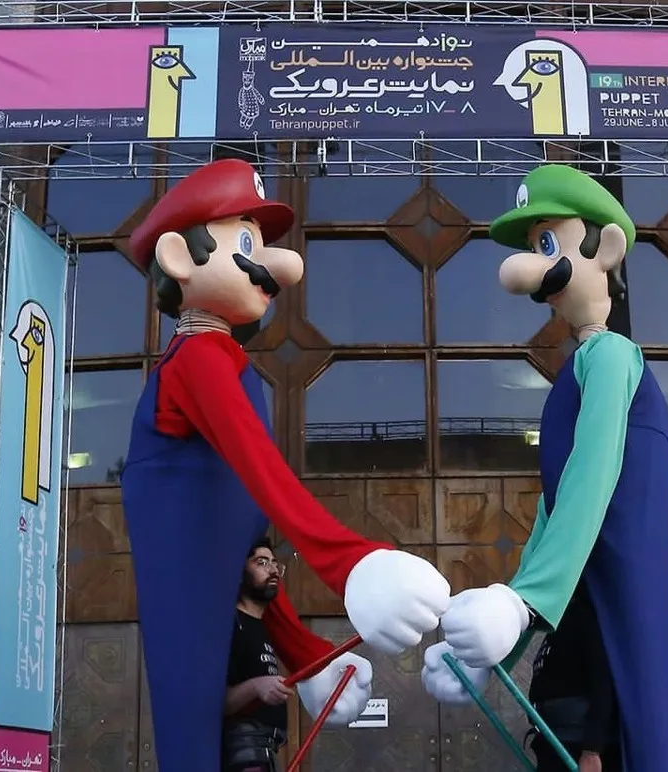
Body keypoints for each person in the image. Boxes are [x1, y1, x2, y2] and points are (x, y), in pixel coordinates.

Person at [120, 159, 451, 772]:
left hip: (212, 591)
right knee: (191, 718)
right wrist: (351, 562)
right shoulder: (198, 359)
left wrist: (306, 655)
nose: (279, 266)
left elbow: (248, 555)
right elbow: (264, 472)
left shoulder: (227, 363)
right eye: (246, 245)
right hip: (187, 596)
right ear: (178, 257)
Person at [422, 164, 668, 772]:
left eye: (549, 243)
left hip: (619, 593)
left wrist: (522, 605)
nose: (536, 268)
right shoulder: (578, 369)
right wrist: (499, 649)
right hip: (589, 605)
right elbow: (555, 510)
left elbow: (593, 478)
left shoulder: (612, 355)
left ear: (606, 249)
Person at [526, 583, 620, 772]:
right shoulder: (564, 618)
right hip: (554, 739)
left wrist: (591, 750)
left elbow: (603, 683)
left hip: (576, 743)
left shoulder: (586, 616)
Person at [221, 538, 295, 772]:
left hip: (266, 752)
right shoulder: (229, 627)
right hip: (242, 752)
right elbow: (214, 702)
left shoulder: (263, 627)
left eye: (274, 563)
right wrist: (256, 686)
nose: (273, 570)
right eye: (261, 562)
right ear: (240, 571)